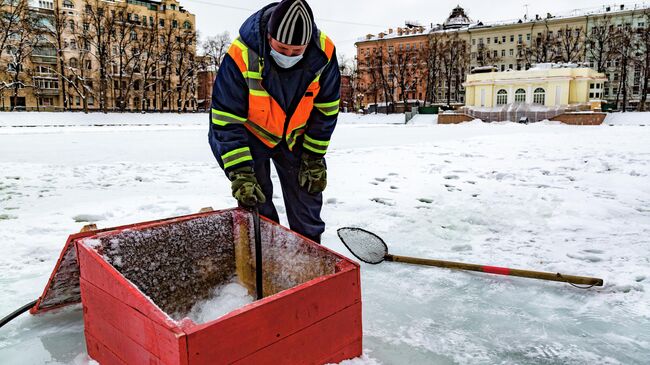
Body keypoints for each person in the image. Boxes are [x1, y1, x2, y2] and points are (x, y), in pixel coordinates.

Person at [208, 0, 341, 243]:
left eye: (296, 51)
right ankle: (267, 258)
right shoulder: (241, 54)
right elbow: (225, 121)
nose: (288, 55)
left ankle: (308, 256)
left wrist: (312, 157)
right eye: (281, 48)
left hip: (295, 136)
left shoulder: (324, 54)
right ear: (269, 35)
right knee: (256, 204)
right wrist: (241, 173)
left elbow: (326, 111)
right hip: (250, 135)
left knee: (307, 198)